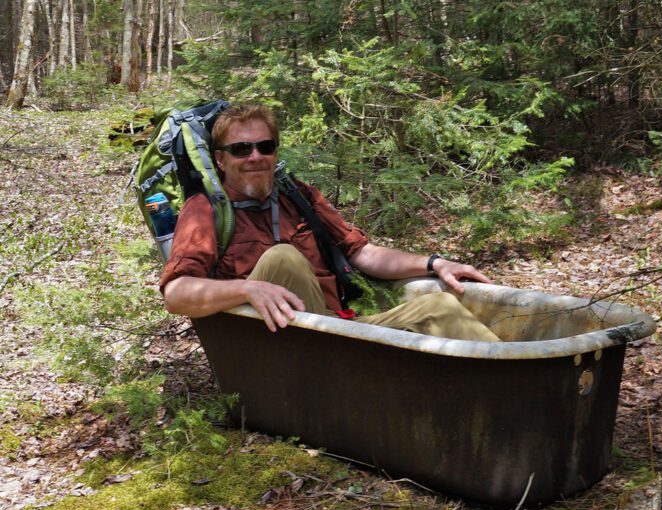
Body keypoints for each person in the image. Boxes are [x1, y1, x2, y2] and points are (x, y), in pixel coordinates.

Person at [159, 104, 500, 341]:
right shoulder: (205, 210)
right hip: (275, 347)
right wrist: (246, 288)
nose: (255, 157)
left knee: (438, 307)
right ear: (220, 159)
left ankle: (520, 390)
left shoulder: (299, 197)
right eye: (241, 149)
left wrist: (435, 262)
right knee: (283, 257)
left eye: (265, 146)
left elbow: (362, 252)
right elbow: (176, 294)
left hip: (339, 332)